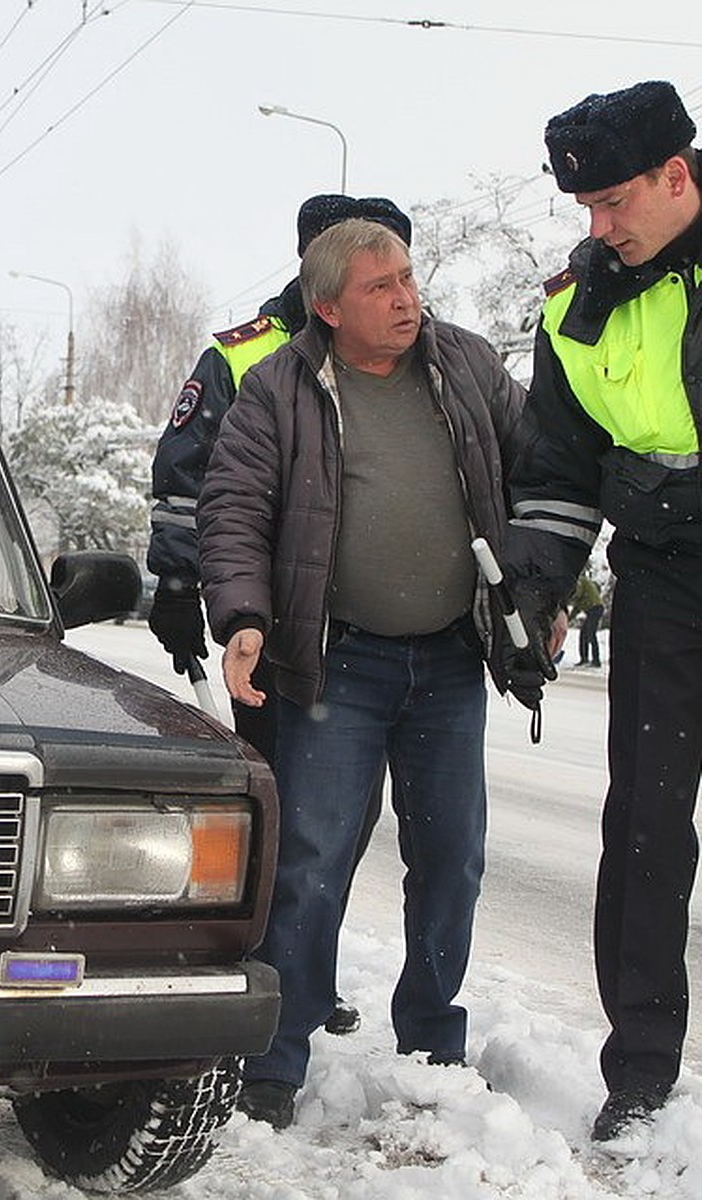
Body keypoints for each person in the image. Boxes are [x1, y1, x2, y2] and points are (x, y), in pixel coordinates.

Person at [197, 217, 533, 1130]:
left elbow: (536, 466)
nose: (405, 298)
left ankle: (432, 1041)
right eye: (381, 286)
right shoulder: (278, 388)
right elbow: (232, 510)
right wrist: (243, 618)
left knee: (452, 858)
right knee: (309, 861)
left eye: (409, 278)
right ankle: (275, 1055)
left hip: (452, 659)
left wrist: (533, 596)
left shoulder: (463, 367)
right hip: (337, 662)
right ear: (328, 306)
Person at [146, 195, 412, 1039]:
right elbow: (186, 475)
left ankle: (301, 974)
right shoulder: (246, 356)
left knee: (341, 822)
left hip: (361, 637)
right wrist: (179, 586)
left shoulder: (396, 355)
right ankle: (252, 969)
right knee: (276, 812)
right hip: (264, 628)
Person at [504, 79, 702, 1144]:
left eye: (615, 200)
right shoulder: (573, 310)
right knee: (646, 823)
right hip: (668, 578)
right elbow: (559, 475)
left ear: (678, 176)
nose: (598, 227)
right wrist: (539, 598)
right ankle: (638, 1070)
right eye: (585, 208)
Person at [568, 572, 605, 667]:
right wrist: (568, 620)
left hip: (595, 608)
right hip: (592, 610)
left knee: (590, 634)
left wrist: (568, 597)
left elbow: (577, 595)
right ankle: (584, 659)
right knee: (583, 634)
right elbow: (577, 608)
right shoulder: (580, 586)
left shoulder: (579, 581)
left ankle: (596, 661)